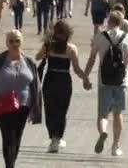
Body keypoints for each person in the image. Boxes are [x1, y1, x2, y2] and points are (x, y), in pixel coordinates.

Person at [0, 30, 42, 168]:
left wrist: (35, 109)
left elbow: (36, 86)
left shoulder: (29, 62)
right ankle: (9, 165)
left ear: (22, 42)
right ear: (6, 43)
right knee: (8, 137)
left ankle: (11, 163)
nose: (14, 44)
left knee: (17, 138)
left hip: (23, 106)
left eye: (17, 41)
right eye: (11, 41)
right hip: (3, 105)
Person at [84, 11, 128, 157]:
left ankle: (103, 132)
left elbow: (92, 59)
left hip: (104, 80)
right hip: (121, 80)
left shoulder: (100, 37)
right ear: (121, 23)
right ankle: (116, 146)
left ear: (109, 21)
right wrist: (124, 62)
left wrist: (85, 76)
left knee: (103, 114)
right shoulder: (127, 37)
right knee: (118, 113)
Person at [35, 21, 89, 153]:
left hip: (50, 79)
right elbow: (76, 69)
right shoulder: (71, 48)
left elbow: (37, 57)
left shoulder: (49, 46)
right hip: (64, 80)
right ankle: (57, 138)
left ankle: (53, 138)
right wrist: (85, 79)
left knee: (49, 109)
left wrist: (46, 49)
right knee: (62, 110)